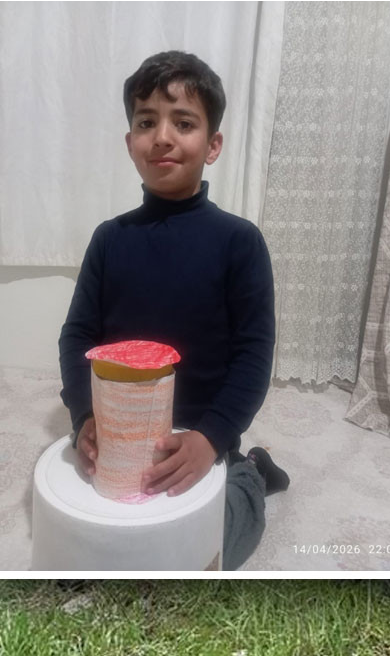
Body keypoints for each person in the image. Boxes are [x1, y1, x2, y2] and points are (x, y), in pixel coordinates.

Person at [59, 50, 287, 571]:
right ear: (130, 142)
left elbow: (255, 354)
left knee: (209, 551)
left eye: (183, 123)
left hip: (203, 430)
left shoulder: (239, 242)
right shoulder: (109, 240)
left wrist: (213, 438)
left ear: (212, 145)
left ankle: (251, 469)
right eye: (146, 122)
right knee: (97, 549)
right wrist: (83, 418)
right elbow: (77, 338)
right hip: (120, 427)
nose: (162, 136)